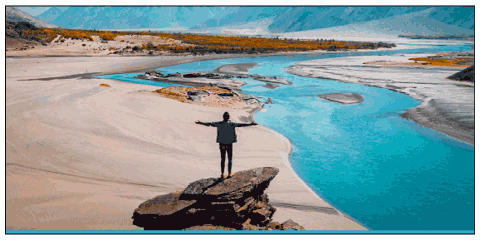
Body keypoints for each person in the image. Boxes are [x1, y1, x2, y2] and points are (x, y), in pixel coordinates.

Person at [195, 112, 258, 179]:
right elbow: (241, 125)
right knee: (230, 158)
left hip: (221, 143)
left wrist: (200, 122)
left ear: (223, 117)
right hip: (229, 143)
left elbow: (209, 124)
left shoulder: (219, 123)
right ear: (229, 117)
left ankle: (222, 174)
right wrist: (251, 124)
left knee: (223, 159)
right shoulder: (232, 124)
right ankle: (229, 173)